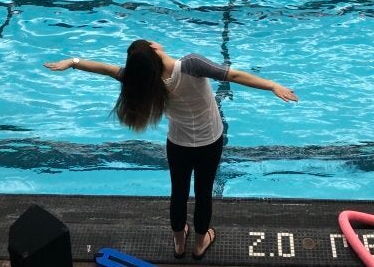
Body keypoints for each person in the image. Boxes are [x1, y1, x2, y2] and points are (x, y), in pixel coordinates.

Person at [44, 40, 298, 260]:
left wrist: (74, 61)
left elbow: (106, 69)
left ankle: (179, 244)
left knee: (179, 193)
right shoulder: (190, 64)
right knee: (204, 193)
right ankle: (199, 245)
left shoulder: (143, 79)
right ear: (155, 48)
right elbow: (233, 76)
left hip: (178, 144)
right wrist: (272, 85)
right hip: (210, 142)